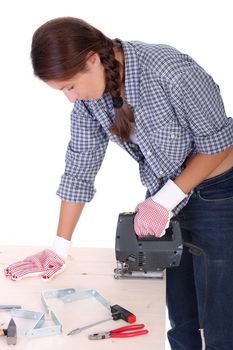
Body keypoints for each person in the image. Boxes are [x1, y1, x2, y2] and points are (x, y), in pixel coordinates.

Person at [4, 17, 233, 349]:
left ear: (92, 59)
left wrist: (164, 200)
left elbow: (220, 144)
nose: (70, 98)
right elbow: (79, 168)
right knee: (181, 322)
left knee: (221, 325)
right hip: (165, 199)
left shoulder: (170, 71)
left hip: (219, 195)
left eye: (69, 85)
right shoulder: (89, 102)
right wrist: (60, 246)